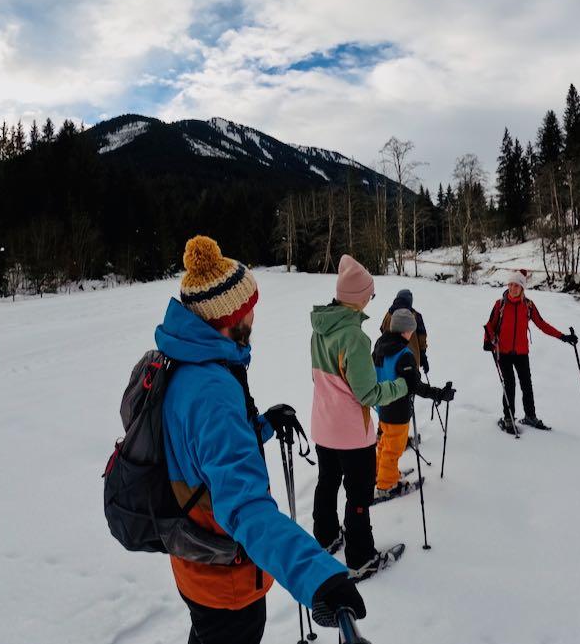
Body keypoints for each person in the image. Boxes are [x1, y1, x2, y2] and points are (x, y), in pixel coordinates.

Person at [156, 236, 364, 644]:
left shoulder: (185, 362)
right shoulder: (211, 392)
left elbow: (201, 457)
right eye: (250, 309)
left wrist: (263, 425)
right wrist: (318, 576)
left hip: (196, 566)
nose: (255, 317)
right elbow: (245, 507)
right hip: (226, 581)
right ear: (229, 316)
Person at [310, 254, 408, 581]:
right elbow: (369, 394)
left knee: (327, 483)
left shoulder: (320, 330)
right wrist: (402, 385)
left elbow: (322, 380)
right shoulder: (354, 337)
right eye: (370, 294)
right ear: (358, 297)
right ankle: (361, 557)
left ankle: (324, 539)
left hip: (323, 428)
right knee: (359, 495)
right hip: (351, 435)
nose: (371, 299)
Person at [372, 308, 455, 501]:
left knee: (384, 443)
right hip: (398, 410)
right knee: (394, 447)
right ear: (405, 330)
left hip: (382, 405)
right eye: (411, 329)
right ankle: (387, 484)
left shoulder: (379, 344)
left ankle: (378, 472)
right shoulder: (404, 354)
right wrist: (439, 394)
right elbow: (414, 386)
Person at [482, 269, 577, 433]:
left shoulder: (528, 305)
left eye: (517, 285)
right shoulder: (500, 304)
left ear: (522, 288)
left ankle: (530, 416)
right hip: (502, 352)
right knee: (509, 385)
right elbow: (490, 325)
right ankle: (508, 418)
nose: (513, 288)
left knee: (527, 385)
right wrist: (487, 342)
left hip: (521, 352)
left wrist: (563, 336)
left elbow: (542, 324)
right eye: (511, 284)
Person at [380, 289, 430, 374]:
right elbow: (422, 337)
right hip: (411, 358)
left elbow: (382, 329)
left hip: (388, 359)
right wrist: (423, 355)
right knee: (412, 383)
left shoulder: (388, 315)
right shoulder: (415, 315)